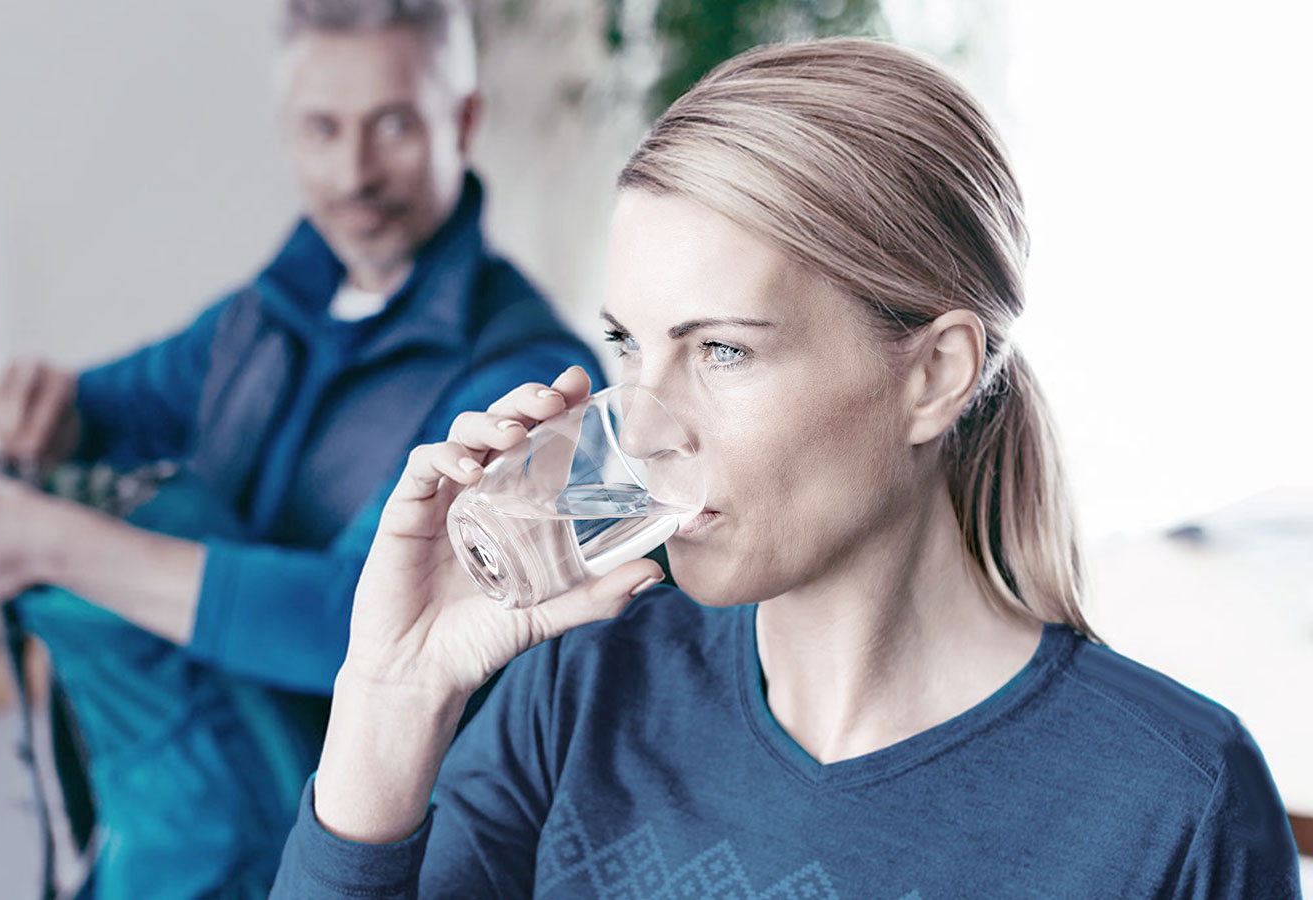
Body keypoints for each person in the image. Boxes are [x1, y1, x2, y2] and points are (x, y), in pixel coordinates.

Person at [268, 38, 1305, 898]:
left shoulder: (1172, 805)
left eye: (723, 350)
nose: (648, 428)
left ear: (936, 375)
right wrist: (390, 696)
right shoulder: (582, 688)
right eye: (631, 345)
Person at [0, 2, 604, 897]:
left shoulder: (530, 380)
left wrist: (48, 542)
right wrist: (56, 413)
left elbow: (364, 625)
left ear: (461, 121)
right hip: (185, 828)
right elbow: (116, 404)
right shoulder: (272, 312)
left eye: (393, 124)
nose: (354, 172)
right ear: (287, 131)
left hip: (364, 856)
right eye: (322, 128)